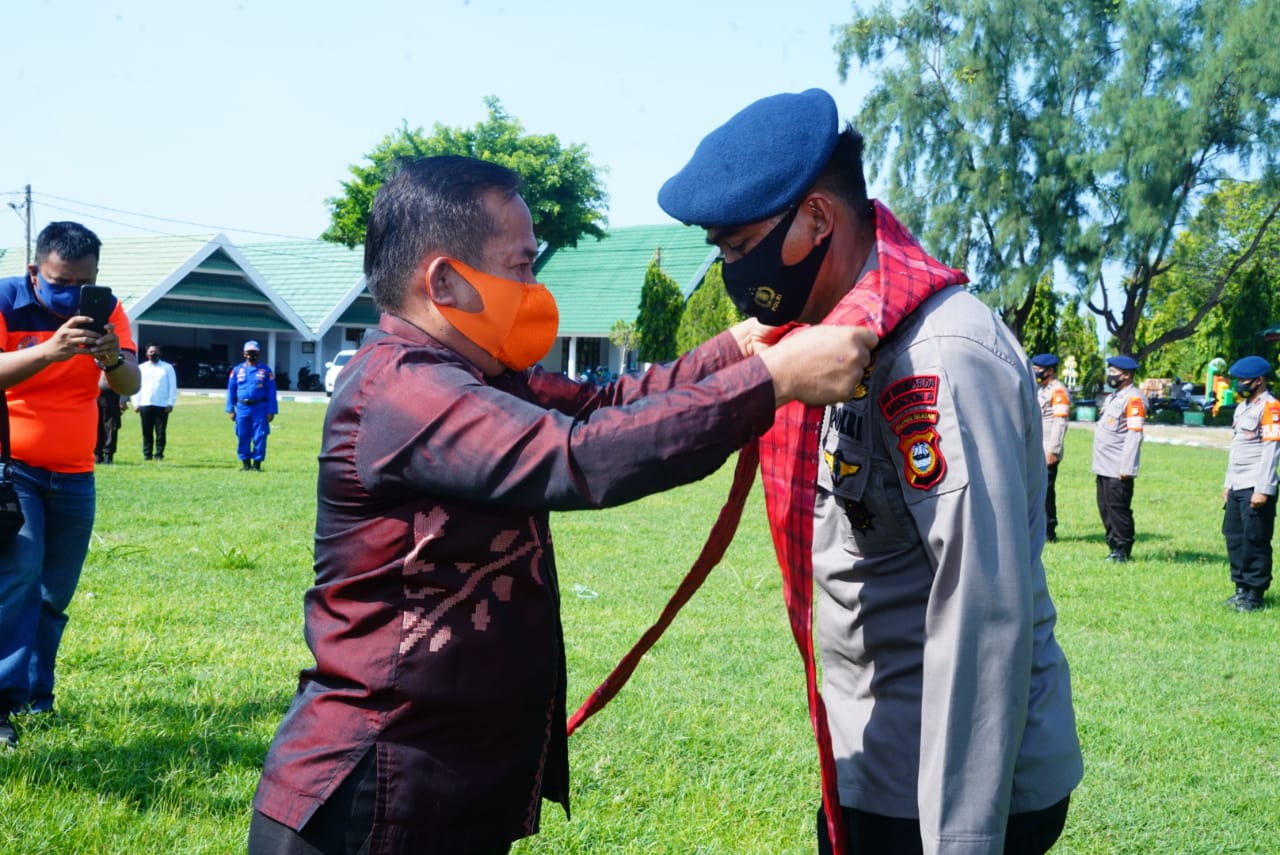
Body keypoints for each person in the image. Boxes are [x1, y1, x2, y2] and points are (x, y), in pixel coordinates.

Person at [247, 154, 873, 855]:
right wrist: (771, 381)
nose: (534, 286)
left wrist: (736, 348)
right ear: (445, 281)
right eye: (519, 265)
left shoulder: (480, 375)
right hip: (369, 799)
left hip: (438, 794)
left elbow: (611, 405)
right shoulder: (400, 390)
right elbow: (581, 455)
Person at [657, 89, 1082, 855]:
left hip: (947, 786)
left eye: (739, 244)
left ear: (817, 220)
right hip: (868, 758)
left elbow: (981, 614)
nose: (730, 269)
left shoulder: (937, 356)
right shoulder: (818, 337)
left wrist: (960, 838)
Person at [0, 221, 140, 749]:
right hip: (11, 467)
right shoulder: (6, 300)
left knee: (53, 593)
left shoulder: (106, 310)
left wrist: (109, 357)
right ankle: (1, 706)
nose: (69, 294)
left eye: (82, 282)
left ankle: (35, 699)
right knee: (15, 581)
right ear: (36, 270)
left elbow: (128, 382)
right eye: (59, 282)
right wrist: (49, 350)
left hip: (76, 473)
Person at [1220, 356, 1280, 612]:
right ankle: (1241, 588)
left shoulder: (1270, 407)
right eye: (1238, 379)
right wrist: (1228, 483)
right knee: (1234, 536)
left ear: (1260, 380)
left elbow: (1271, 449)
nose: (1239, 384)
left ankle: (1255, 593)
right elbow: (1237, 449)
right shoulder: (1243, 407)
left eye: (1244, 380)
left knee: (1255, 539)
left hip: (1255, 485)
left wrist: (1263, 488)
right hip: (1237, 484)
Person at [1091, 355, 1145, 562]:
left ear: (1127, 375)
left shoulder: (1134, 399)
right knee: (1105, 506)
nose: (1110, 375)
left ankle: (1122, 548)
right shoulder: (1115, 397)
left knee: (1118, 508)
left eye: (1114, 372)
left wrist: (1127, 466)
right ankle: (1112, 545)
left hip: (1118, 466)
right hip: (1104, 465)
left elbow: (1134, 434)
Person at [1032, 354, 1071, 542]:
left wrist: (1053, 450)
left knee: (1047, 492)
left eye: (1039, 369)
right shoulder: (1042, 389)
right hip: (1037, 447)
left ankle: (1049, 529)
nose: (1035, 372)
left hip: (1048, 449)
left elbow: (1060, 422)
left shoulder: (1058, 391)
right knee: (1036, 490)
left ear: (1050, 370)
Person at [225, 340, 278, 471]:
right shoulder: (237, 370)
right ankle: (245, 464)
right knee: (242, 435)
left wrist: (271, 411)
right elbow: (231, 390)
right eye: (249, 352)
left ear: (258, 353)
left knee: (260, 435)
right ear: (244, 354)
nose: (251, 355)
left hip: (260, 408)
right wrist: (230, 409)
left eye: (254, 352)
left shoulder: (265, 371)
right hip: (242, 408)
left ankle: (257, 464)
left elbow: (272, 391)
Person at [136, 343, 178, 461]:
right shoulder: (141, 368)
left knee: (160, 432)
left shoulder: (167, 368)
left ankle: (159, 454)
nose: (153, 354)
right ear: (146, 354)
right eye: (151, 352)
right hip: (145, 403)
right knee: (146, 431)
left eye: (155, 352)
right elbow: (137, 386)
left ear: (160, 353)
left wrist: (171, 403)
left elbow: (172, 386)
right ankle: (147, 455)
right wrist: (136, 402)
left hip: (162, 404)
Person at [94, 374, 127, 465]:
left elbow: (124, 380)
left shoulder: (114, 362)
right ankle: (97, 454)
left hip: (112, 397)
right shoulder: (91, 362)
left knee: (111, 426)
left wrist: (123, 400)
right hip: (94, 397)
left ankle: (108, 455)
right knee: (95, 426)